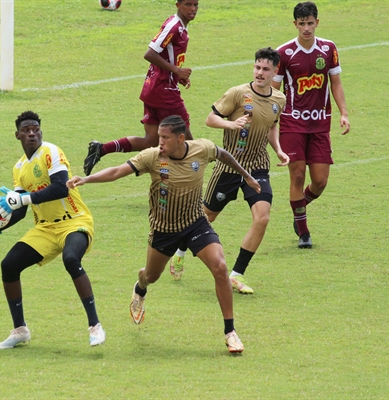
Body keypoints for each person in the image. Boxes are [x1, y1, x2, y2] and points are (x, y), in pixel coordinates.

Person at [68, 115, 261, 354]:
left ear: (181, 138)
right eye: (159, 136)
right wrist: (86, 179)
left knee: (220, 267)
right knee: (151, 276)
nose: (159, 142)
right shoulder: (152, 157)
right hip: (164, 231)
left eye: (165, 137)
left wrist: (247, 176)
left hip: (195, 224)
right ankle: (140, 288)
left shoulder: (201, 149)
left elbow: (224, 155)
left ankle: (230, 332)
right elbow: (118, 171)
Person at [0, 111, 105, 349]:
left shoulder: (51, 152)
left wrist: (23, 200)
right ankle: (20, 330)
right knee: (9, 265)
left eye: (35, 128)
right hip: (45, 229)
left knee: (70, 258)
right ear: (17, 135)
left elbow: (60, 189)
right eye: (26, 130)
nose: (32, 133)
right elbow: (20, 209)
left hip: (75, 222)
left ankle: (95, 326)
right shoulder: (19, 168)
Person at [169, 48, 288, 295]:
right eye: (257, 67)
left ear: (275, 71)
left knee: (262, 218)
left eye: (266, 69)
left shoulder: (279, 99)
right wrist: (230, 123)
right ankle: (180, 251)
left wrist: (278, 149)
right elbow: (210, 119)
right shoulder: (238, 93)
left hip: (257, 166)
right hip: (229, 166)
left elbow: (272, 127)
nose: (260, 73)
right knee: (204, 218)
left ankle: (236, 275)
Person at [83, 0, 199, 176]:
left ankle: (101, 149)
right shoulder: (174, 27)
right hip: (164, 92)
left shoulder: (180, 27)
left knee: (150, 141)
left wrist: (177, 75)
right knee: (188, 141)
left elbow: (165, 56)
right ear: (178, 5)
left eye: (196, 5)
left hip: (154, 89)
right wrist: (177, 70)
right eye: (188, 5)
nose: (192, 9)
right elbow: (150, 53)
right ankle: (187, 182)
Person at [271, 1, 350, 248]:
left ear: (317, 22)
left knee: (320, 181)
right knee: (297, 176)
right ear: (295, 24)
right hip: (292, 124)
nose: (306, 28)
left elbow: (335, 83)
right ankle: (304, 233)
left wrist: (343, 113)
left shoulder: (328, 49)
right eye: (302, 23)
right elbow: (274, 91)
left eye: (310, 23)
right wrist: (271, 124)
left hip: (319, 125)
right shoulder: (283, 53)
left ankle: (299, 210)